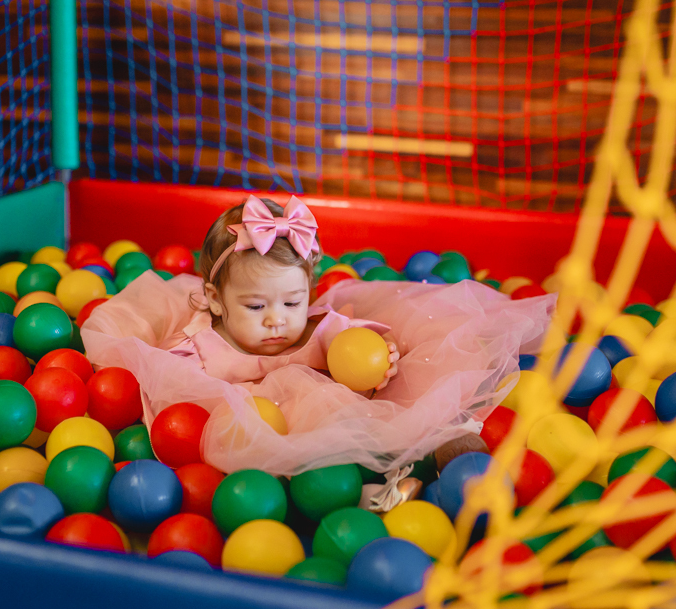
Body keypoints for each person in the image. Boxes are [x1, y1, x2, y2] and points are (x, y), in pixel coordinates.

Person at [82, 195, 553, 476]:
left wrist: (382, 357)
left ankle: (445, 453)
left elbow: (358, 344)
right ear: (216, 300)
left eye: (292, 302)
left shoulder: (320, 329)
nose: (277, 320)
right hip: (254, 438)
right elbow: (172, 390)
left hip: (328, 422)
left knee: (406, 419)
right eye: (255, 307)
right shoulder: (200, 349)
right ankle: (381, 487)